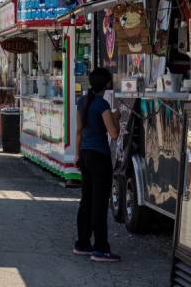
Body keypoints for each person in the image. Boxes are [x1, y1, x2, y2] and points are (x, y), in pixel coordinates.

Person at [74, 67, 121, 262]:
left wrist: (76, 155)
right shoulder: (102, 105)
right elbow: (114, 133)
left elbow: (78, 131)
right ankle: (100, 248)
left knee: (86, 199)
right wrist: (116, 118)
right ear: (107, 84)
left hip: (84, 154)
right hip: (99, 156)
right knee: (99, 203)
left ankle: (82, 242)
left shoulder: (82, 102)